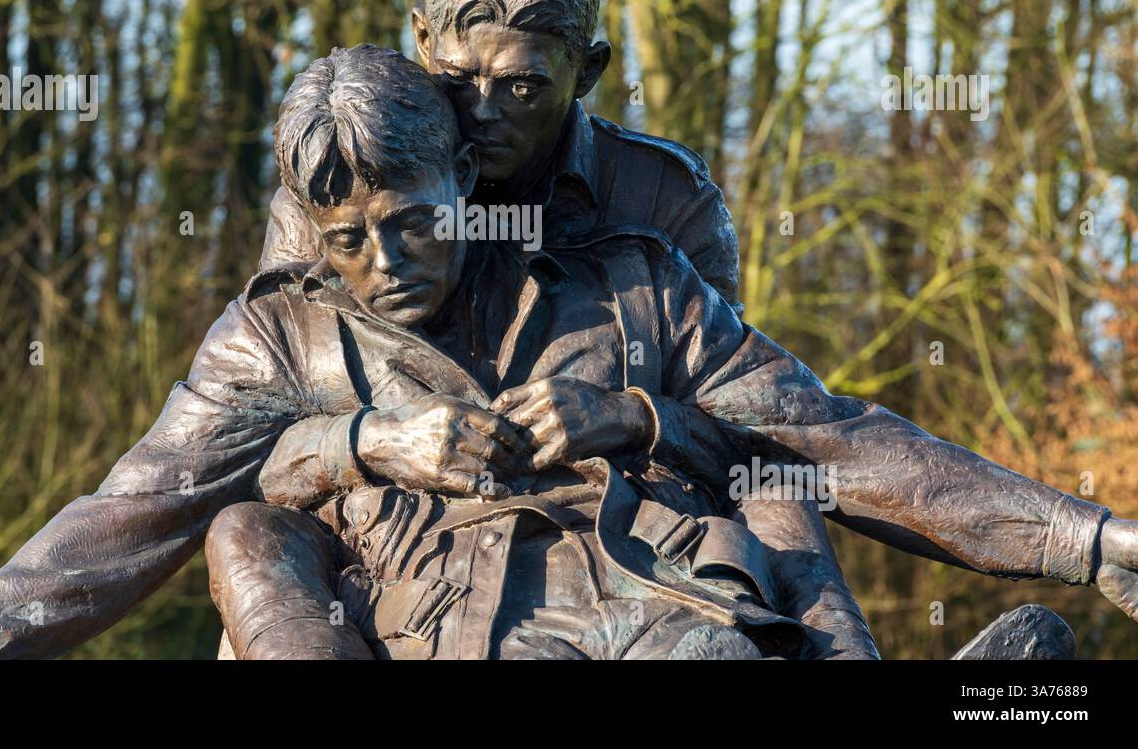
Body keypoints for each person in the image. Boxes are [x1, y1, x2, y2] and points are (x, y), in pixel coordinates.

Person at [206, 45, 878, 660]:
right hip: (448, 612)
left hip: (662, 593)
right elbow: (185, 490)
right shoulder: (287, 325)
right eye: (348, 240)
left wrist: (638, 416)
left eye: (415, 223)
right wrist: (365, 440)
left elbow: (803, 434)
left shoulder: (633, 274)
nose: (387, 263)